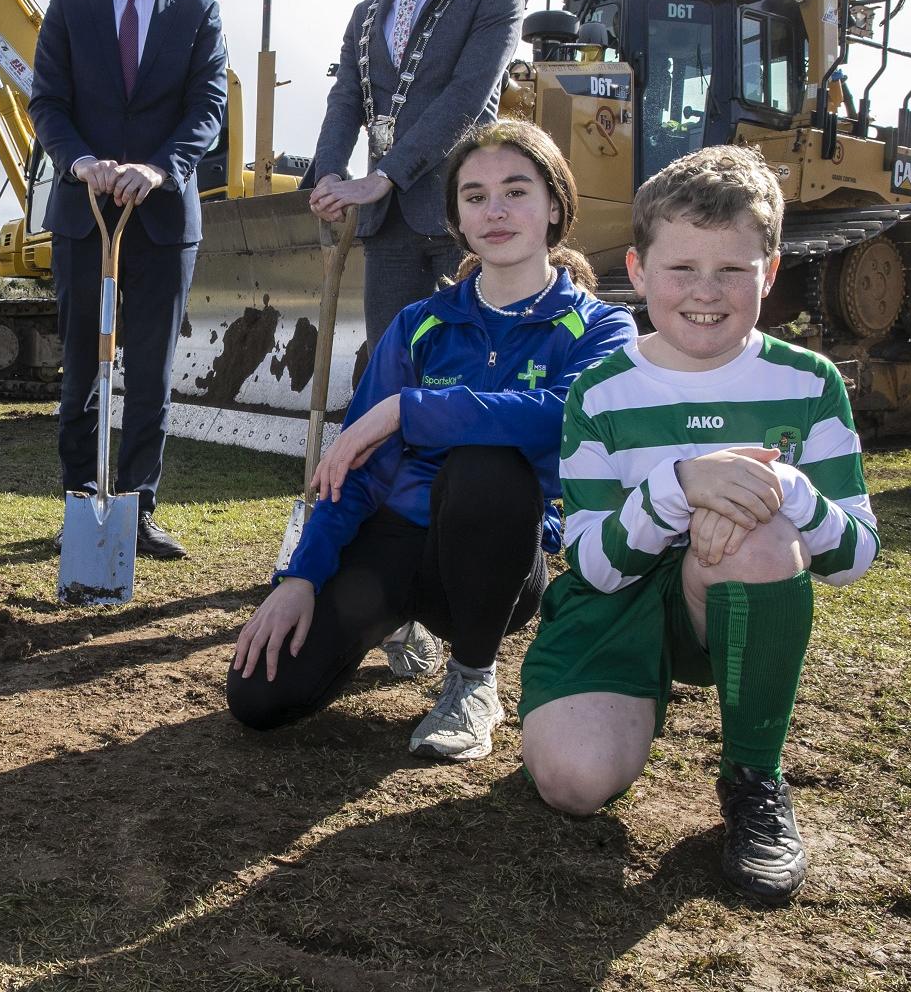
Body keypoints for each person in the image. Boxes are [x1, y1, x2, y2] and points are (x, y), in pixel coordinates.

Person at [518, 145, 881, 906]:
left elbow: (853, 554)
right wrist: (680, 486)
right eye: (681, 269)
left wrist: (781, 488)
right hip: (614, 601)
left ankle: (754, 780)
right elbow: (591, 565)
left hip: (721, 592)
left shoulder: (807, 382)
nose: (704, 293)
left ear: (770, 272)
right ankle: (621, 700)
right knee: (571, 785)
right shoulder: (600, 389)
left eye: (732, 272)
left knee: (757, 530)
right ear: (638, 269)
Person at [228, 121, 635, 761]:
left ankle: (474, 678)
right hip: (395, 541)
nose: (495, 211)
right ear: (457, 220)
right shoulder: (420, 324)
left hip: (493, 557)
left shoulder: (600, 326)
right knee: (259, 697)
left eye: (516, 191)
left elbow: (571, 416)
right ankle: (398, 621)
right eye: (474, 197)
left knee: (485, 467)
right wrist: (299, 577)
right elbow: (353, 470)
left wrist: (410, 409)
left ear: (555, 206)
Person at [307, 0, 524, 677]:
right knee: (386, 382)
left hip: (471, 211)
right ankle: (386, 576)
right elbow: (344, 102)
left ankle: (455, 580)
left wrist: (383, 175)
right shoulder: (366, 13)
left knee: (461, 389)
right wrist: (329, 176)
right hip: (393, 227)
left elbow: (468, 97)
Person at [28, 0, 229, 561]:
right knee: (82, 372)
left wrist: (161, 169)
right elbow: (47, 102)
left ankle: (139, 508)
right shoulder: (70, 7)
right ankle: (81, 503)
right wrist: (81, 161)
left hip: (163, 223)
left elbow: (207, 108)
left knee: (150, 373)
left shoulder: (197, 12)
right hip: (86, 220)